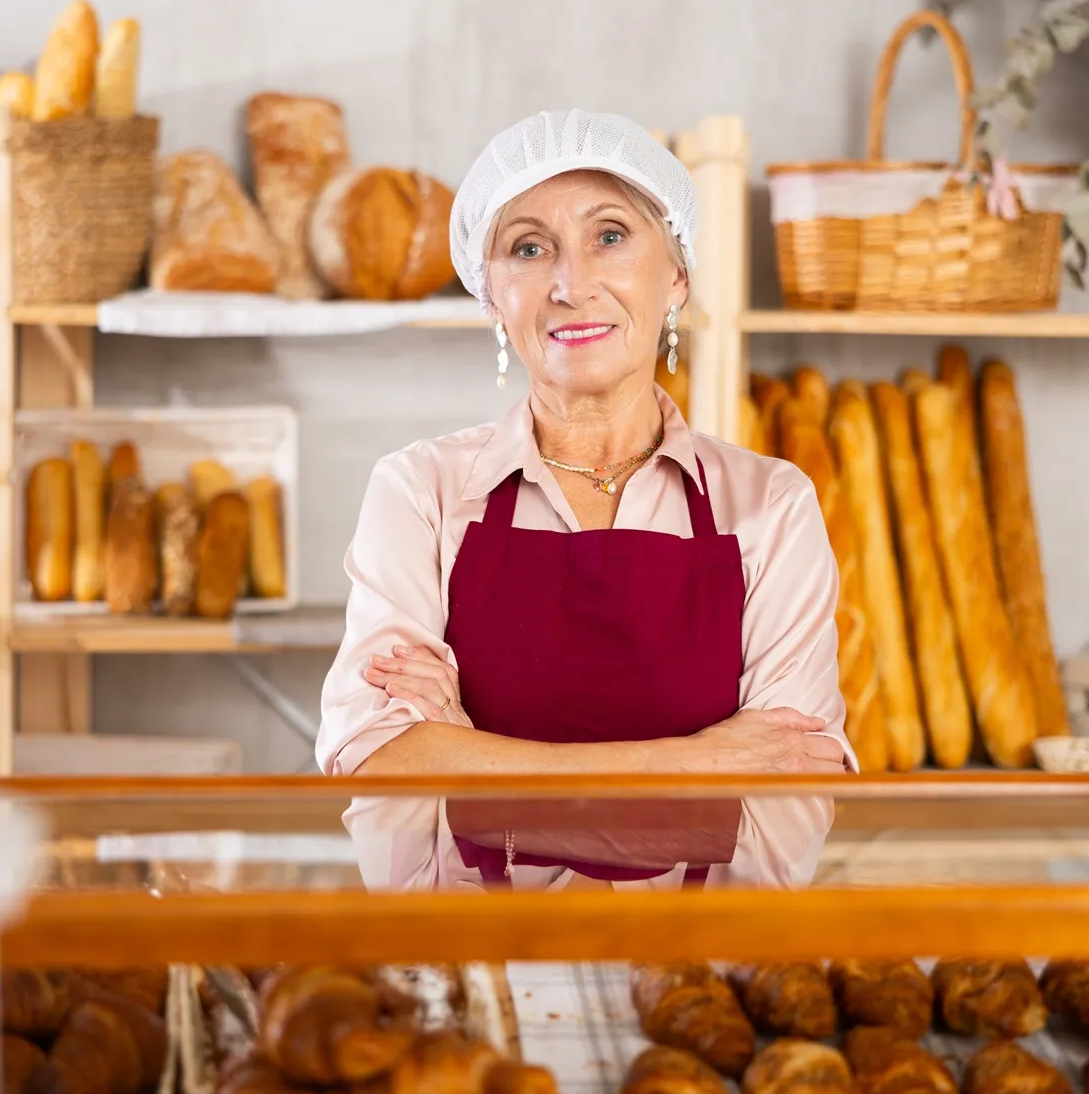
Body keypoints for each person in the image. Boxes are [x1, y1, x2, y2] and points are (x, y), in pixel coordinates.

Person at [317, 110, 852, 892]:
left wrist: (467, 754)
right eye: (529, 249)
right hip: (475, 976)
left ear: (676, 275)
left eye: (610, 235)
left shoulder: (770, 506)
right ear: (493, 297)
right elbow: (383, 786)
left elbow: (783, 814)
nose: (572, 285)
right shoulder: (421, 493)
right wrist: (701, 762)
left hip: (696, 975)